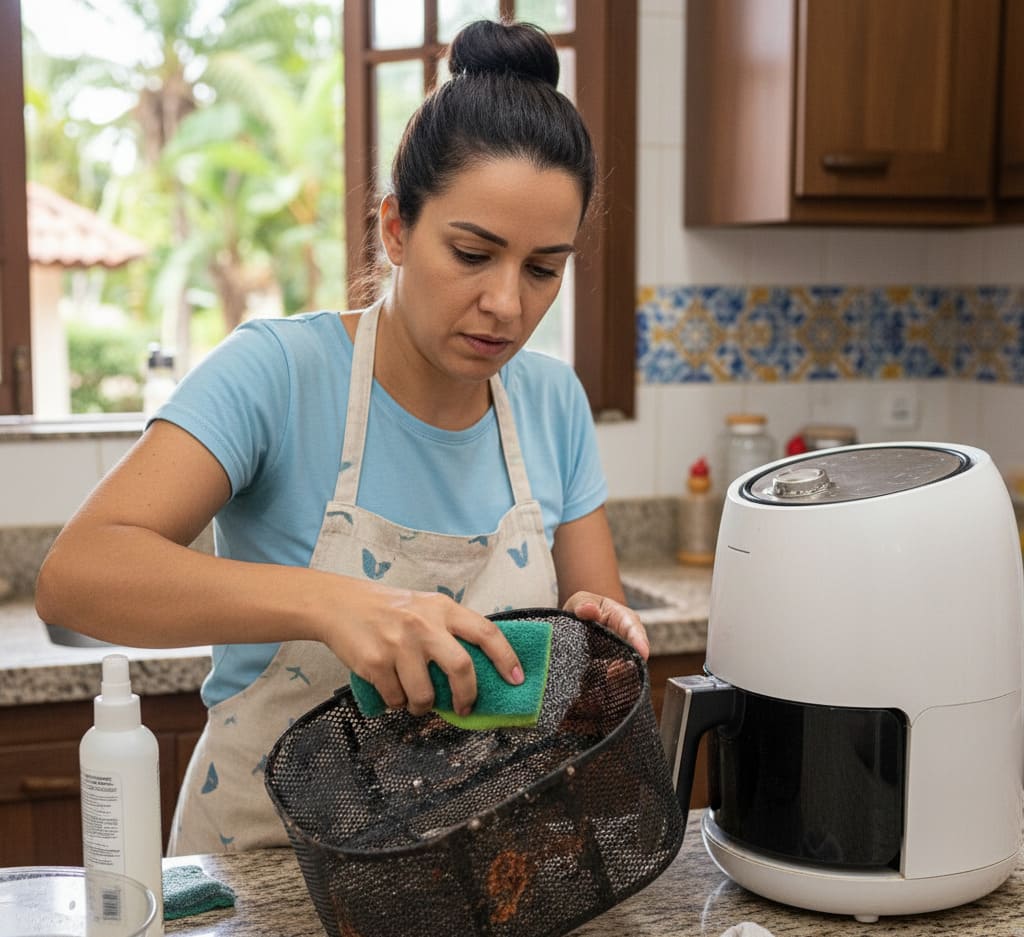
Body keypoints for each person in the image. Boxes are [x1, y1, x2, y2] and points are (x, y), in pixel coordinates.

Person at [35, 17, 648, 856]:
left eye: (543, 268)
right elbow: (76, 576)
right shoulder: (279, 374)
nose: (508, 303)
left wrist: (595, 649)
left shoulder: (551, 403)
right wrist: (334, 601)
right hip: (261, 877)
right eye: (473, 253)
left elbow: (588, 683)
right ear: (396, 228)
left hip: (465, 874)